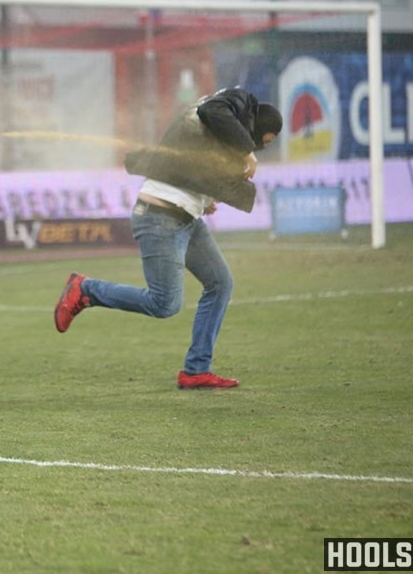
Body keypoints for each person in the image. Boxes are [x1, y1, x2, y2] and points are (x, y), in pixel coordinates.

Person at [53, 87, 283, 390]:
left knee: (220, 283)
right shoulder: (225, 109)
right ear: (255, 127)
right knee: (164, 303)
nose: (259, 149)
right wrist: (247, 151)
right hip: (160, 217)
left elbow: (193, 165)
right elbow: (212, 113)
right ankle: (85, 289)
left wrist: (204, 199)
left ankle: (197, 370)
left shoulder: (221, 123)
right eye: (263, 142)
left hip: (186, 217)